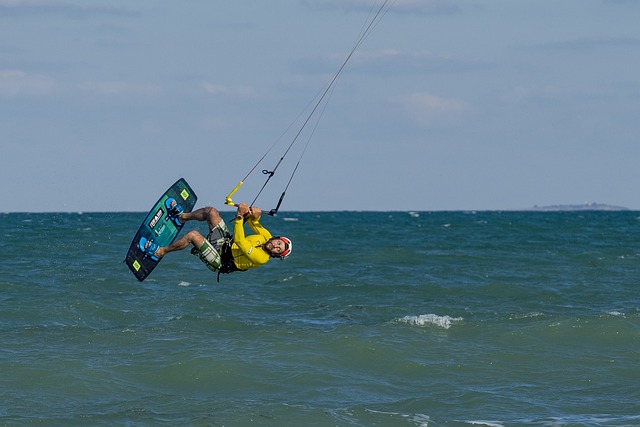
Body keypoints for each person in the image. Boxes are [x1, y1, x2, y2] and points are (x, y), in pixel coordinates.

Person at [142, 201, 292, 279]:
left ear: (275, 255)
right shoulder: (266, 235)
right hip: (225, 242)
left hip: (220, 260)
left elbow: (240, 241)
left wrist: (240, 216)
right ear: (276, 238)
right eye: (278, 243)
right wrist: (255, 214)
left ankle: (160, 252)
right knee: (211, 212)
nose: (275, 246)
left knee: (193, 235)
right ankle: (182, 217)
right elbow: (254, 222)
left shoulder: (261, 258)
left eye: (278, 250)